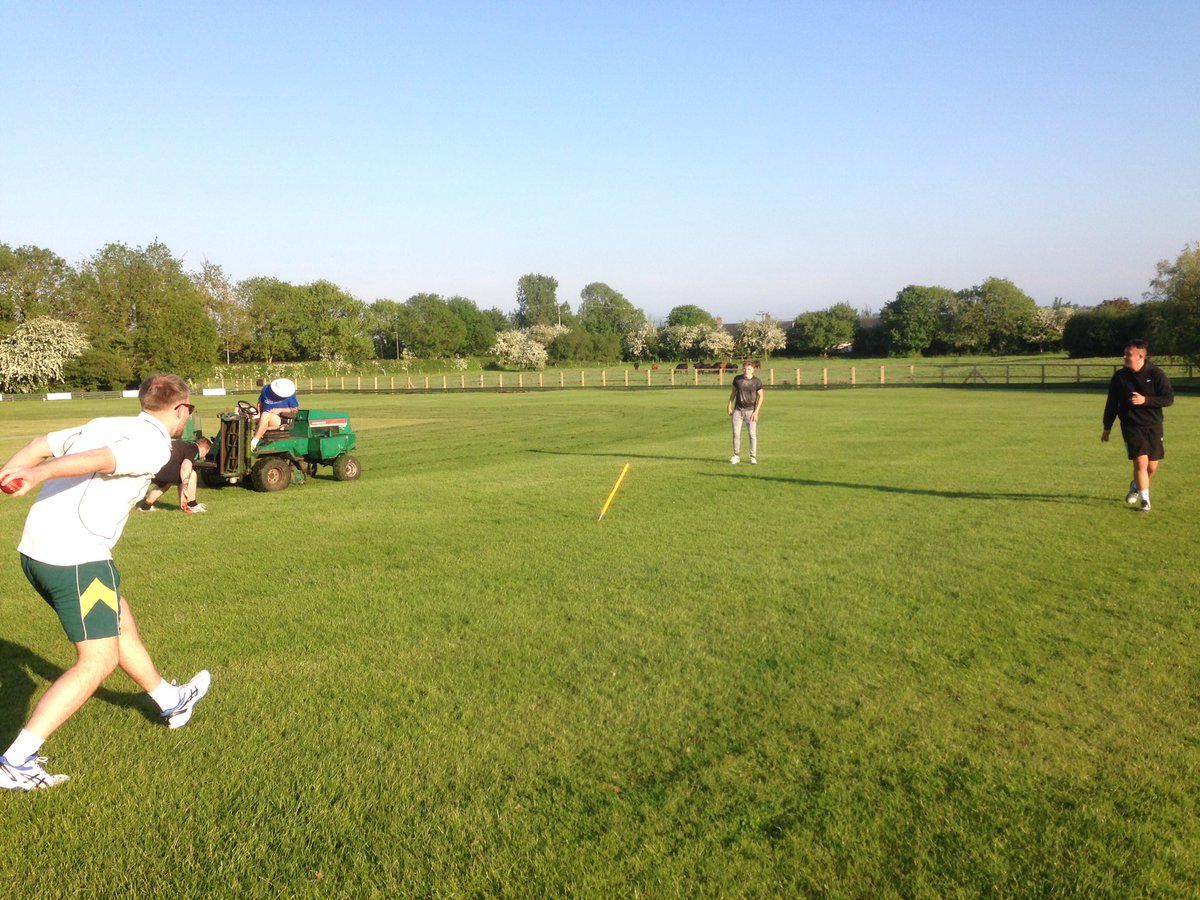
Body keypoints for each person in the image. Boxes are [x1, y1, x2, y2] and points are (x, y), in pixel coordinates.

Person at [0, 374, 211, 791]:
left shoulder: (106, 421)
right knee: (97, 661)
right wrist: (38, 475)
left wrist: (11, 469)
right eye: (188, 411)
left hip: (39, 552)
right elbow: (98, 460)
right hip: (75, 560)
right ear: (181, 409)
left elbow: (45, 441)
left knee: (119, 622)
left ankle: (171, 700)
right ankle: (16, 762)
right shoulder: (153, 444)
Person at [1102, 339, 1174, 512]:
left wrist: (1145, 400)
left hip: (1153, 425)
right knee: (1141, 463)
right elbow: (1112, 403)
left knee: (1152, 466)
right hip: (1131, 425)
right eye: (1125, 353)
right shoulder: (1120, 377)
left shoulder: (1156, 374)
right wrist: (1107, 427)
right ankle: (1145, 501)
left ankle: (1135, 485)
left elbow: (1168, 399)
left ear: (1141, 356)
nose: (1124, 357)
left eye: (1129, 354)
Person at [137, 437, 212, 514]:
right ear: (204, 450)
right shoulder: (194, 448)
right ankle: (192, 505)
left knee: (165, 484)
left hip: (154, 468)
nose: (205, 455)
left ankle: (145, 507)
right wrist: (185, 488)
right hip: (164, 468)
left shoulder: (185, 446)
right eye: (206, 453)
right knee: (192, 474)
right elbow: (186, 466)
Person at [727, 360, 764, 465]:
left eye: (749, 368)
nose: (746, 370)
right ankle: (736, 455)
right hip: (737, 411)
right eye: (744, 368)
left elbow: (761, 396)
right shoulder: (737, 379)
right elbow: (733, 393)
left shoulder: (757, 381)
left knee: (752, 434)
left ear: (753, 369)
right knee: (736, 434)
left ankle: (753, 457)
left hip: (751, 412)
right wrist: (729, 406)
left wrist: (756, 412)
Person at [250, 377, 299, 451]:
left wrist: (279, 410)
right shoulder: (266, 389)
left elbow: (295, 409)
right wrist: (258, 415)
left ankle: (254, 442)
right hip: (263, 416)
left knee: (265, 415)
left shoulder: (290, 395)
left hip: (278, 419)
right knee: (239, 409)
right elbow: (260, 404)